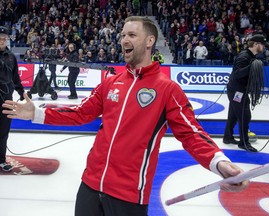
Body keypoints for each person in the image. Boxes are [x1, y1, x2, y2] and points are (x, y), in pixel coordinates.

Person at [2, 17, 249, 216]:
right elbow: (80, 113)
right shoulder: (111, 83)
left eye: (131, 35)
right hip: (90, 185)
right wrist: (37, 113)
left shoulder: (167, 89)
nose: (123, 40)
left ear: (150, 40)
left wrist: (219, 163)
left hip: (128, 196)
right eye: (122, 35)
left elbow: (191, 133)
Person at [223, 34, 268, 152]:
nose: (264, 47)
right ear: (256, 44)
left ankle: (227, 137)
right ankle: (244, 143)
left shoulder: (251, 56)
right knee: (245, 115)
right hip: (237, 91)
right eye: (262, 45)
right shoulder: (244, 57)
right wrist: (251, 67)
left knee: (233, 115)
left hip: (238, 89)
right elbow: (237, 73)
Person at [0, 26, 25, 172]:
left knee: (3, 130)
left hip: (7, 99)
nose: (2, 40)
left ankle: (1, 159)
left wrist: (21, 92)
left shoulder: (11, 57)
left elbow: (16, 77)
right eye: (0, 37)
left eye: (5, 38)